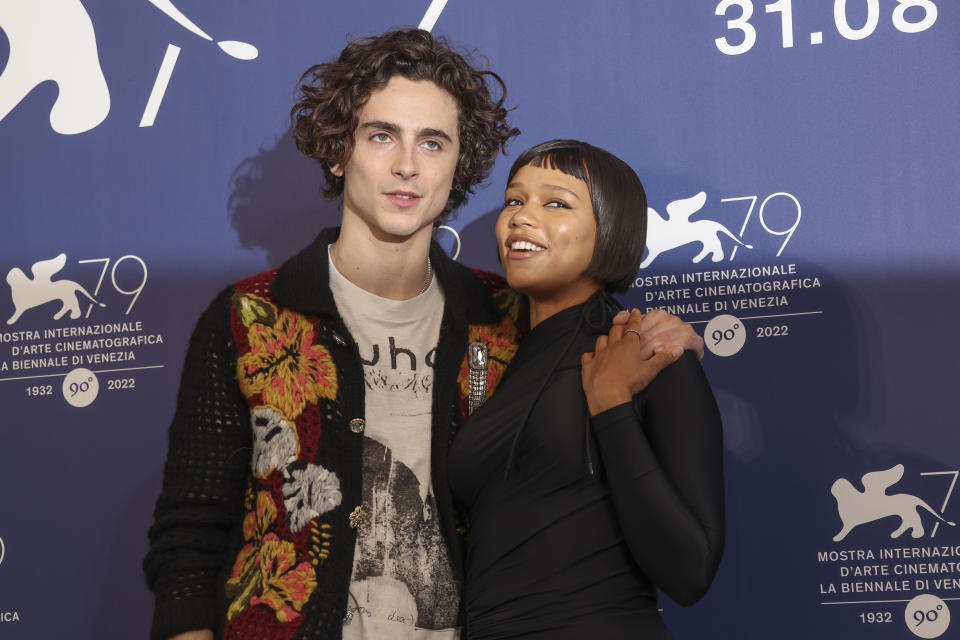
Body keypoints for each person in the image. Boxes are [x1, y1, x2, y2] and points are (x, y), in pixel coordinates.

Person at [143, 31, 704, 640]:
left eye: (432, 142)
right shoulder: (252, 315)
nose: (407, 165)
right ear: (338, 152)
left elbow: (597, 340)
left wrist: (658, 336)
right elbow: (189, 537)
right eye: (381, 135)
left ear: (458, 164)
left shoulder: (508, 315)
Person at [448, 140, 725, 639]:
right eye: (515, 200)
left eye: (555, 203)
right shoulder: (494, 355)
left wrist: (611, 406)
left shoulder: (651, 351)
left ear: (611, 228)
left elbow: (690, 571)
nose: (521, 217)